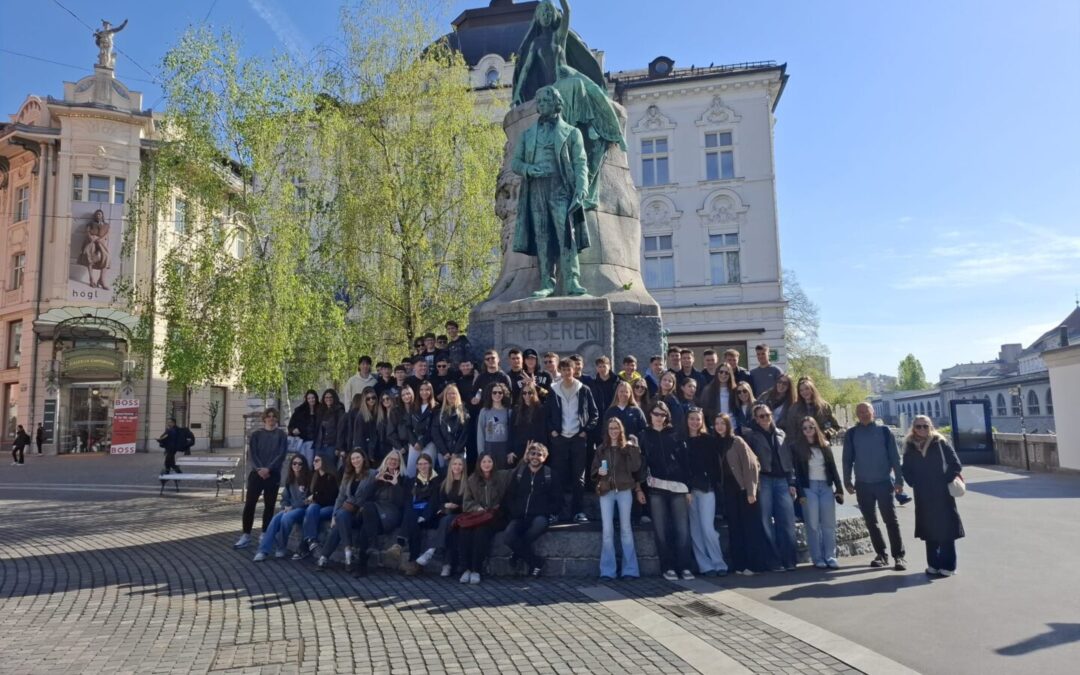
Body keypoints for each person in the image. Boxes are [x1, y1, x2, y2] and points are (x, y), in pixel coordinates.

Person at [510, 85, 590, 297]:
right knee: (542, 236)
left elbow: (581, 162)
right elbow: (515, 162)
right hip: (536, 188)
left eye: (546, 101)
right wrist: (528, 169)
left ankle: (572, 280)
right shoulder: (528, 135)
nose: (542, 105)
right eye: (540, 102)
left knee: (566, 235)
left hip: (561, 187)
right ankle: (546, 281)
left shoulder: (572, 133)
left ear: (556, 104)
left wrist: (582, 188)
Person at [843, 402, 906, 571]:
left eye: (866, 411)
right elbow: (847, 459)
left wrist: (899, 480)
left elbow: (894, 457)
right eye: (860, 412)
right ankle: (881, 555)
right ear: (857, 415)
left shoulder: (884, 432)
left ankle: (899, 556)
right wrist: (847, 480)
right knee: (871, 522)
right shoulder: (852, 434)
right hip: (863, 484)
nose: (863, 414)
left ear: (873, 413)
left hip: (884, 482)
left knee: (891, 521)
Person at [902, 415, 964, 577]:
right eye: (919, 426)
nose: (922, 429)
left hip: (942, 493)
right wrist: (913, 482)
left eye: (925, 426)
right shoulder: (909, 446)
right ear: (913, 428)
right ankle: (933, 564)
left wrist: (943, 481)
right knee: (929, 529)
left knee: (946, 530)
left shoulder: (940, 442)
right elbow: (906, 468)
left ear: (931, 427)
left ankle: (948, 566)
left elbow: (955, 464)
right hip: (922, 494)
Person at [640, 401, 694, 581]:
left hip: (678, 486)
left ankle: (685, 566)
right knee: (661, 530)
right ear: (650, 415)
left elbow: (686, 462)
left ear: (667, 417)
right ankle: (668, 567)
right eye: (655, 414)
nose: (658, 417)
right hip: (656, 487)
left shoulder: (676, 434)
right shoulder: (644, 435)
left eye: (662, 415)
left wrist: (688, 487)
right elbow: (641, 462)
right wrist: (639, 486)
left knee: (682, 529)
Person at [743, 404, 797, 571]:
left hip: (782, 480)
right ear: (756, 419)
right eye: (761, 416)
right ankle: (774, 561)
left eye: (767, 415)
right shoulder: (752, 436)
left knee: (787, 521)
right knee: (765, 521)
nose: (765, 419)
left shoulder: (781, 434)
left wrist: (792, 482)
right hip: (764, 480)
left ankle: (789, 560)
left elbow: (789, 460)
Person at [545, 357, 599, 523]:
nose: (567, 373)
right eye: (564, 370)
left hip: (578, 438)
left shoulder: (584, 389)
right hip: (560, 439)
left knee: (578, 477)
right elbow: (546, 414)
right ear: (560, 371)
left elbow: (594, 413)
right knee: (558, 476)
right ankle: (557, 511)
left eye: (570, 369)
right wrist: (553, 431)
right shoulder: (553, 390)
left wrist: (585, 431)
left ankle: (578, 511)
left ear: (574, 370)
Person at [714, 413, 767, 575]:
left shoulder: (737, 441)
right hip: (728, 490)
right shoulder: (716, 443)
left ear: (729, 425)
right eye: (716, 423)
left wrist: (751, 491)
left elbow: (751, 465)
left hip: (743, 489)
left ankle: (754, 564)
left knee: (749, 527)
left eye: (723, 423)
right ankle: (739, 564)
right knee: (735, 527)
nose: (719, 426)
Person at [591, 418, 643, 579]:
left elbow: (636, 467)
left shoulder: (627, 448)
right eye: (611, 428)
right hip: (606, 490)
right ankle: (608, 571)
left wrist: (634, 449)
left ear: (621, 430)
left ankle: (630, 570)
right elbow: (593, 471)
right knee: (607, 530)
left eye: (616, 428)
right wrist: (598, 472)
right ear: (607, 431)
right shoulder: (601, 449)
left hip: (624, 489)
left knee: (626, 529)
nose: (613, 431)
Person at [791, 417, 844, 569]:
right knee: (813, 523)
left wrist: (839, 489)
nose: (808, 430)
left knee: (828, 523)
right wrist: (800, 493)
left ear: (816, 428)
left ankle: (830, 556)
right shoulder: (797, 447)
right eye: (805, 428)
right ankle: (817, 557)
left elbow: (833, 468)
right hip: (809, 487)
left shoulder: (825, 445)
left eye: (811, 427)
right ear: (801, 431)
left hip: (826, 486)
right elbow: (797, 472)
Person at [344, 451, 407, 577]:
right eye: (390, 459)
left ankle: (365, 559)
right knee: (365, 526)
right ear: (386, 460)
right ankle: (363, 564)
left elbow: (401, 503)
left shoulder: (404, 478)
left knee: (366, 518)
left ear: (400, 463)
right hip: (374, 514)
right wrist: (375, 482)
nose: (393, 462)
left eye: (396, 460)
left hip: (390, 515)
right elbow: (363, 498)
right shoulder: (378, 476)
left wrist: (395, 485)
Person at [502, 442, 560, 577]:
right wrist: (514, 510)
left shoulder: (550, 474)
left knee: (539, 524)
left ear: (544, 458)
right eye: (532, 454)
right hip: (519, 516)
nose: (535, 457)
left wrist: (546, 511)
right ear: (528, 455)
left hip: (539, 516)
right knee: (508, 537)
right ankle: (535, 562)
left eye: (539, 455)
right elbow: (509, 495)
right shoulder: (519, 473)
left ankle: (517, 553)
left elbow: (558, 500)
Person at [234, 409, 289, 549]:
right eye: (268, 417)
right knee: (250, 504)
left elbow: (281, 454)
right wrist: (259, 469)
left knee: (269, 506)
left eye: (273, 416)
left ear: (277, 419)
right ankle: (246, 535)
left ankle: (265, 533)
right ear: (264, 419)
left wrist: (268, 469)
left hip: (273, 474)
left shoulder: (281, 435)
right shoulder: (256, 435)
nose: (271, 419)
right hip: (256, 474)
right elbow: (252, 454)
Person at [683, 408, 728, 576]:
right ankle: (705, 565)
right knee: (695, 529)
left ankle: (719, 562)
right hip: (689, 490)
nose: (695, 422)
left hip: (707, 488)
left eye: (698, 419)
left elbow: (715, 466)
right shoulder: (682, 440)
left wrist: (713, 482)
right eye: (692, 419)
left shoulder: (709, 440)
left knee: (708, 527)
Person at [457, 453, 510, 584]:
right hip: (477, 515)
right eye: (484, 462)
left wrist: (525, 458)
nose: (487, 464)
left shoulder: (501, 476)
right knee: (465, 532)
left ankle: (476, 569)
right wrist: (477, 508)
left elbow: (515, 472)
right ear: (479, 464)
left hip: (495, 516)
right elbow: (467, 502)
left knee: (481, 532)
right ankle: (466, 569)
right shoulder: (472, 479)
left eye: (489, 461)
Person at [316, 451, 370, 571]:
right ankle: (347, 553)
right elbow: (340, 497)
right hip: (347, 513)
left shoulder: (371, 474)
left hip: (361, 513)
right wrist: (333, 516)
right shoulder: (348, 475)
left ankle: (324, 556)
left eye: (358, 458)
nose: (355, 460)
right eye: (353, 458)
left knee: (340, 520)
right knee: (340, 518)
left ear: (363, 459)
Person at [254, 455, 311, 561]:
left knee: (286, 518)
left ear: (304, 465)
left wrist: (292, 507)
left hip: (302, 509)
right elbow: (285, 497)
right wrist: (285, 506)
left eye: (300, 464)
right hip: (289, 508)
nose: (297, 466)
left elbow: (307, 500)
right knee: (275, 519)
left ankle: (281, 547)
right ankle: (262, 551)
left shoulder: (308, 479)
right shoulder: (290, 479)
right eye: (294, 463)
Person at [395, 453, 443, 575]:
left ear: (430, 464)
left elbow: (435, 501)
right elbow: (406, 500)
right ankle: (414, 563)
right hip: (414, 515)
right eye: (420, 464)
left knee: (412, 518)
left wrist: (424, 516)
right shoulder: (412, 481)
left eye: (425, 463)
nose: (422, 466)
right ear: (416, 466)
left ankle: (400, 544)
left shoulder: (437, 480)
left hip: (430, 515)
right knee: (412, 518)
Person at [425, 454, 467, 577]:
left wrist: (457, 506)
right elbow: (440, 501)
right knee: (451, 531)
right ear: (450, 466)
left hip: (461, 514)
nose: (457, 467)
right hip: (448, 516)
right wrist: (445, 506)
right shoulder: (445, 483)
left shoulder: (467, 483)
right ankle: (447, 565)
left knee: (447, 521)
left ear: (463, 467)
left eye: (460, 464)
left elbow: (468, 503)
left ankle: (432, 549)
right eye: (454, 464)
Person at [296, 454, 338, 559]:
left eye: (317, 460)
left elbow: (331, 498)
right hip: (317, 507)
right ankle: (312, 541)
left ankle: (304, 545)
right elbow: (313, 495)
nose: (314, 463)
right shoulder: (315, 477)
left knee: (310, 515)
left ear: (324, 462)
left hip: (330, 507)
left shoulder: (331, 477)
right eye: (314, 461)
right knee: (312, 509)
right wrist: (310, 499)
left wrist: (314, 497)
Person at [786, 378, 843, 443]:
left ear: (812, 389)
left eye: (807, 388)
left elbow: (835, 426)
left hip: (822, 443)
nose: (804, 392)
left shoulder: (824, 406)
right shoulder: (794, 409)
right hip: (801, 445)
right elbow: (790, 430)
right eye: (801, 390)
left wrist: (826, 434)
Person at [431, 384, 469, 470]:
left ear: (457, 395)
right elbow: (435, 433)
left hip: (459, 452)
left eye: (453, 393)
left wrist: (456, 452)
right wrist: (444, 451)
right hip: (443, 453)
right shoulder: (439, 413)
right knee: (444, 476)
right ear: (445, 396)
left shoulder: (464, 412)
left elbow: (465, 434)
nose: (451, 396)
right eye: (448, 394)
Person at [476, 383, 512, 468]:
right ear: (490, 393)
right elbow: (480, 432)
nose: (497, 395)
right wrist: (481, 452)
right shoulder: (484, 411)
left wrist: (511, 450)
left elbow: (512, 433)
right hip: (489, 446)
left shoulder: (508, 411)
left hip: (504, 447)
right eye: (494, 392)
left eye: (500, 392)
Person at [339, 389, 379, 462]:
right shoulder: (361, 416)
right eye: (368, 398)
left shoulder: (377, 413)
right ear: (364, 401)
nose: (371, 400)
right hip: (366, 451)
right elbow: (359, 437)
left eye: (373, 397)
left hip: (376, 449)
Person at [287, 390, 321, 466]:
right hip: (302, 441)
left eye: (313, 398)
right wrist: (293, 430)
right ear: (306, 399)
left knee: (312, 464)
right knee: (303, 463)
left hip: (316, 442)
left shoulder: (321, 409)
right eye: (309, 398)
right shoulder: (300, 410)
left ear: (316, 398)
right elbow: (291, 425)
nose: (311, 400)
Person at [314, 389, 344, 469]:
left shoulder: (339, 411)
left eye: (331, 397)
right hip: (320, 445)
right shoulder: (321, 410)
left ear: (334, 398)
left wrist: (338, 447)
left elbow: (340, 430)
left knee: (330, 469)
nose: (328, 399)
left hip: (331, 445)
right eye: (326, 397)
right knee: (318, 469)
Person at [375, 391, 403, 464]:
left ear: (392, 398)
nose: (385, 401)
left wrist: (399, 446)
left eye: (387, 398)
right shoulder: (380, 416)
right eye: (383, 400)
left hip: (397, 447)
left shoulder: (398, 412)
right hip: (384, 449)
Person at [654, 370, 684, 436]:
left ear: (673, 384)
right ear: (660, 381)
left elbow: (677, 419)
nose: (667, 382)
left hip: (668, 433)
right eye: (664, 380)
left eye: (670, 381)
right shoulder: (655, 397)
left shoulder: (673, 400)